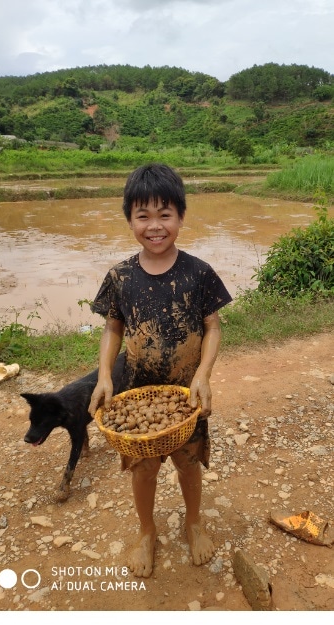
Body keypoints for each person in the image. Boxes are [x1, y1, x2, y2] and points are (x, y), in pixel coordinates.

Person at [87, 164, 232, 578]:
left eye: (165, 215)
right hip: (138, 392)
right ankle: (147, 531)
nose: (154, 226)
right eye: (143, 216)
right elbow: (112, 327)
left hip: (186, 397)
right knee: (143, 467)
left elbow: (213, 326)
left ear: (181, 217)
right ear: (130, 219)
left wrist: (203, 375)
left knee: (189, 465)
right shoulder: (120, 276)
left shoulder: (198, 272)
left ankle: (193, 523)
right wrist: (104, 377)